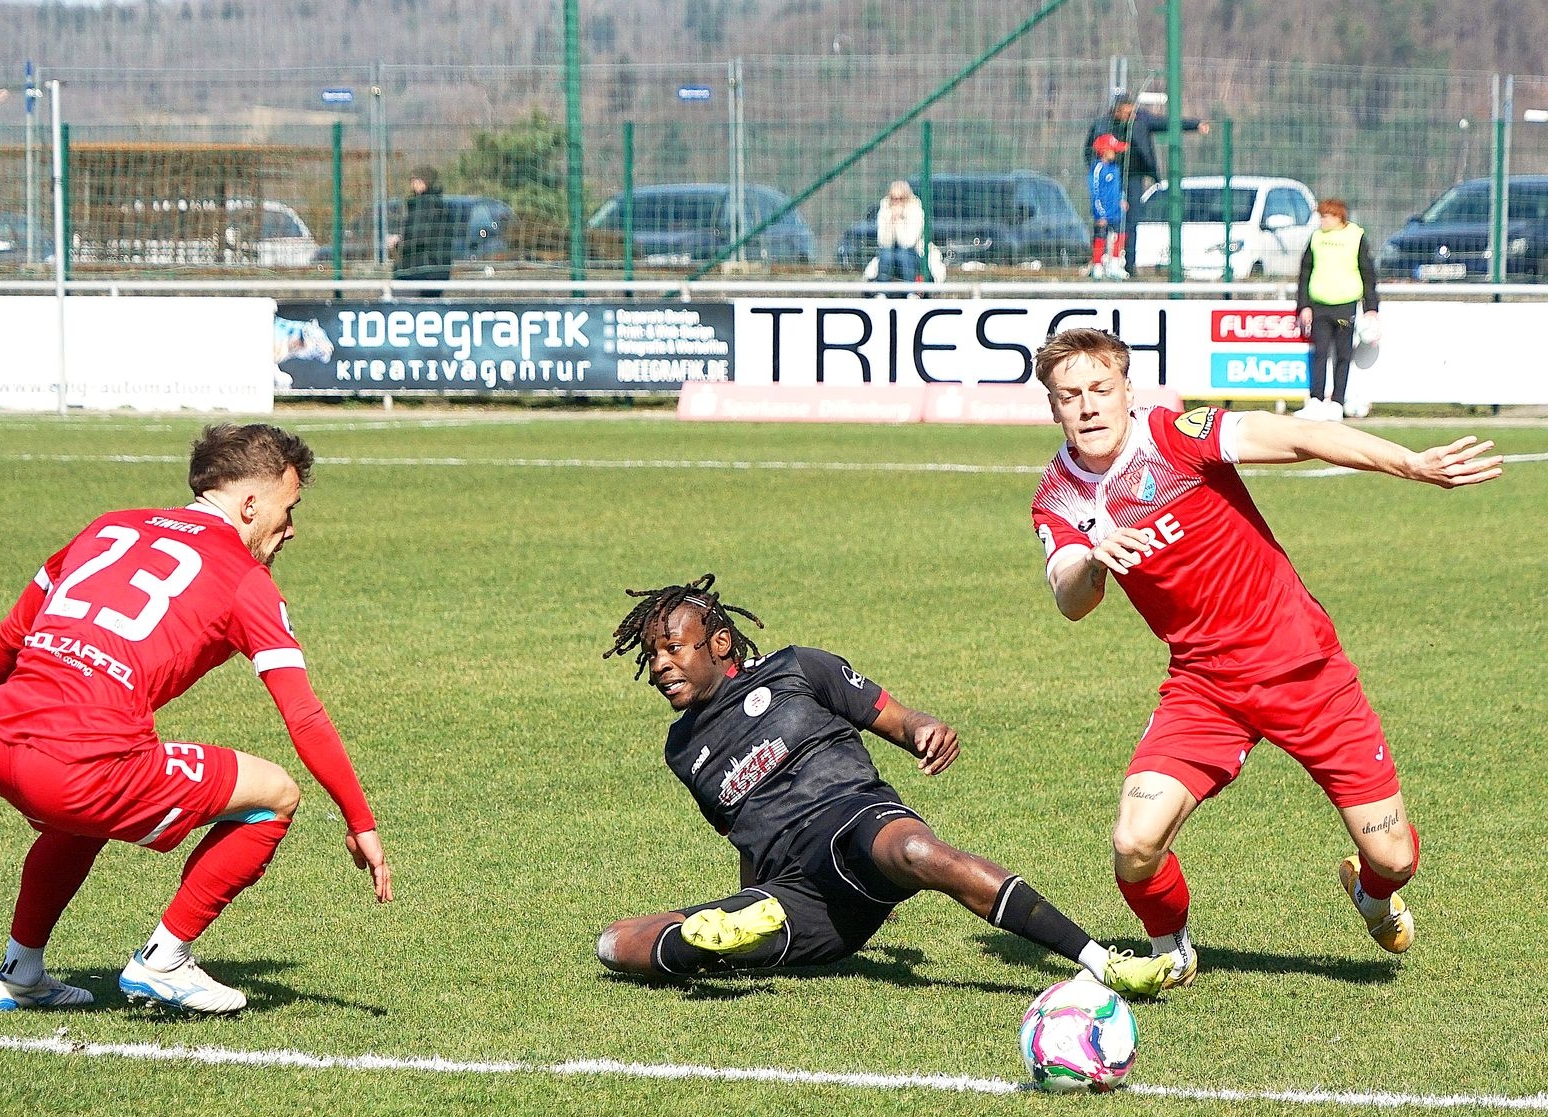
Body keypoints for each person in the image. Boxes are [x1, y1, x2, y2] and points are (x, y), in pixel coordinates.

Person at [1029, 327, 1502, 989]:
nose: (1087, 406)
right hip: (1205, 687)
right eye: (1070, 395)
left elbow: (1300, 436)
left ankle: (1372, 894)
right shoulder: (1058, 495)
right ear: (1053, 407)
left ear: (1127, 391)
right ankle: (1173, 950)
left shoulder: (1176, 436)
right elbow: (1070, 598)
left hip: (1305, 671)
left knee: (1393, 857)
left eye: (1100, 389)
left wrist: (1412, 464)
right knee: (1134, 842)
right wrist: (1094, 563)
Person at [0, 422, 391, 1015]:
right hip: (80, 766)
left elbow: (16, 629)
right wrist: (360, 819)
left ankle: (18, 972)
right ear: (249, 504)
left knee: (80, 818)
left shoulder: (109, 526)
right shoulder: (246, 578)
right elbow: (304, 714)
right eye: (289, 508)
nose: (291, 528)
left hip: (0, 742)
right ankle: (164, 959)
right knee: (276, 795)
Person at [593, 574, 1173, 997]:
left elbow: (899, 720)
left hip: (851, 823)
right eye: (652, 655)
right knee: (618, 941)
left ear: (719, 644)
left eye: (673, 648)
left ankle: (1101, 961)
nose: (661, 665)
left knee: (917, 850)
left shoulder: (798, 669)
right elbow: (743, 837)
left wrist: (925, 730)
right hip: (800, 895)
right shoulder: (682, 749)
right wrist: (749, 905)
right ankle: (713, 939)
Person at [1082, 95, 1207, 277]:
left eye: (1132, 112)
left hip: (1134, 176)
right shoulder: (1102, 125)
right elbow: (1089, 151)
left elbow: (1166, 123)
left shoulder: (1141, 120)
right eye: (1127, 113)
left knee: (1131, 220)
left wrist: (1195, 125)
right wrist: (1099, 171)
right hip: (1111, 178)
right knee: (1105, 220)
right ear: (1117, 111)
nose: (1131, 116)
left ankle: (1128, 264)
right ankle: (1098, 262)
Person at [1296, 198, 1380, 421]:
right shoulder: (1316, 238)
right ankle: (1315, 400)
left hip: (1345, 306)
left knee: (1343, 354)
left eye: (1326, 216)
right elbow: (1305, 273)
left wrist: (1371, 307)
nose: (1322, 221)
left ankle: (1337, 402)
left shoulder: (1355, 237)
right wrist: (1303, 306)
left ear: (1338, 217)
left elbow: (1367, 273)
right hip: (1319, 305)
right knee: (1320, 353)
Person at [392, 165, 456, 297]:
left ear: (423, 182)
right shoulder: (441, 206)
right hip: (439, 272)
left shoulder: (421, 207)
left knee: (397, 303)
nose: (411, 185)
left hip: (417, 272)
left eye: (414, 180)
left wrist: (398, 243)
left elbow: (417, 239)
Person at [1087, 134, 1128, 280]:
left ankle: (1115, 265)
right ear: (1104, 151)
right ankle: (1097, 265)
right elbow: (1096, 192)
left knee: (1120, 235)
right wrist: (1100, 213)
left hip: (1116, 211)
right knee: (1100, 237)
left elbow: (1118, 188)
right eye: (1113, 150)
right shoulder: (1098, 169)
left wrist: (1122, 200)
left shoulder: (1115, 168)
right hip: (1103, 212)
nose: (1115, 153)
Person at [874, 180, 925, 288]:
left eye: (901, 198)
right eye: (894, 198)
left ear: (907, 198)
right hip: (890, 250)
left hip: (912, 251)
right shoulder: (885, 209)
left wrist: (899, 222)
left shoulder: (915, 210)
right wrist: (891, 222)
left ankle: (910, 290)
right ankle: (882, 290)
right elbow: (883, 242)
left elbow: (908, 243)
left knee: (904, 255)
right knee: (886, 255)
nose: (897, 202)